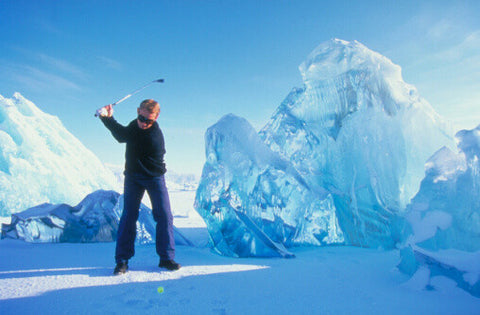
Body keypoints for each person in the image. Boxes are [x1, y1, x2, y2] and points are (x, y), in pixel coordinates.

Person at [98, 99, 180, 275]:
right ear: (138, 111)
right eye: (141, 118)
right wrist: (108, 117)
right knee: (128, 216)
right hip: (133, 177)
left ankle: (166, 258)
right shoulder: (134, 126)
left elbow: (123, 136)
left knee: (164, 215)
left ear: (156, 117)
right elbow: (123, 135)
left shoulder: (154, 136)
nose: (143, 123)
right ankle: (122, 260)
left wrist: (106, 118)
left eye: (148, 121)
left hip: (154, 177)